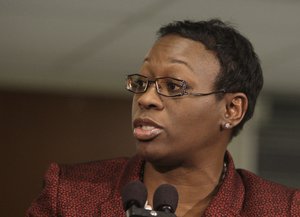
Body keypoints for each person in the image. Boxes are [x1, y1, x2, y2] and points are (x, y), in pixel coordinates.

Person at [26, 19, 300, 217]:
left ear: (231, 110)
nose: (145, 98)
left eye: (173, 86)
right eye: (141, 83)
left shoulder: (282, 209)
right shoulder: (69, 193)